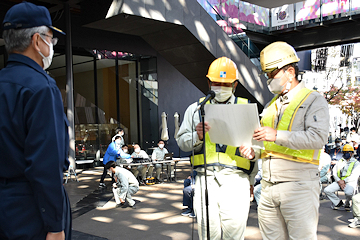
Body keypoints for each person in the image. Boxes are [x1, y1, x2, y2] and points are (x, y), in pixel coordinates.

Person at [240, 41, 330, 239]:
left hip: (299, 186)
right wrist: (254, 152)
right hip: (268, 186)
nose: (269, 79)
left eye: (272, 74)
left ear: (290, 72)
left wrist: (277, 135)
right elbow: (266, 145)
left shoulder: (313, 100)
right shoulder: (271, 106)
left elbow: (318, 138)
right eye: (267, 75)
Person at [0, 2, 71, 239]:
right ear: (37, 40)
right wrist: (55, 225)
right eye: (51, 38)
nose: (52, 45)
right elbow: (45, 165)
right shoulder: (41, 87)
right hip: (31, 208)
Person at [176, 57, 257, 240]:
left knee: (234, 236)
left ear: (234, 85)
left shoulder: (246, 109)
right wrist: (197, 136)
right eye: (216, 83)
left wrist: (251, 180)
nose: (220, 87)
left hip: (237, 179)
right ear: (208, 82)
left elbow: (257, 150)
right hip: (206, 180)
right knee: (207, 235)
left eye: (225, 84)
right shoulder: (196, 109)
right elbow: (181, 142)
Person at [324, 144, 360, 210]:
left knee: (349, 193)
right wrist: (339, 181)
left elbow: (354, 176)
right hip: (339, 181)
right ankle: (338, 203)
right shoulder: (339, 161)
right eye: (345, 152)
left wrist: (344, 181)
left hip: (350, 182)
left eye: (348, 152)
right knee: (327, 190)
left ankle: (347, 203)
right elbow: (334, 172)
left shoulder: (356, 163)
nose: (346, 154)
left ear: (351, 153)